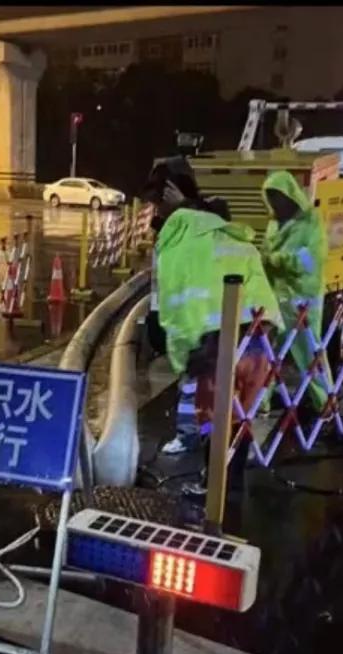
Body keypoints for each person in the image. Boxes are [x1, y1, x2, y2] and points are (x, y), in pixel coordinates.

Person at [146, 166, 282, 495]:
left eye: (155, 202)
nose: (153, 211)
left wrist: (184, 354)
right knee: (237, 419)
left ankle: (217, 500)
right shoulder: (225, 232)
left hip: (217, 338)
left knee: (213, 420)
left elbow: (181, 309)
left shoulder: (179, 246)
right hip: (261, 332)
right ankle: (225, 491)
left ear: (166, 199)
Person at [142, 158, 233, 456]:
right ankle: (203, 436)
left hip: (206, 320)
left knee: (197, 384)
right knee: (196, 383)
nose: (156, 208)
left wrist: (185, 207)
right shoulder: (170, 225)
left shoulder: (207, 216)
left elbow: (215, 225)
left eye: (160, 201)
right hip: (186, 320)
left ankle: (197, 437)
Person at [260, 170, 330, 411]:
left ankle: (324, 401)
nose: (274, 202)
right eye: (270, 196)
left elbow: (311, 260)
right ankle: (260, 402)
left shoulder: (311, 222)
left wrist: (278, 260)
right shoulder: (273, 224)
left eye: (278, 195)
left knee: (309, 353)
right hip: (276, 297)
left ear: (290, 195)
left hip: (303, 298)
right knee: (268, 353)